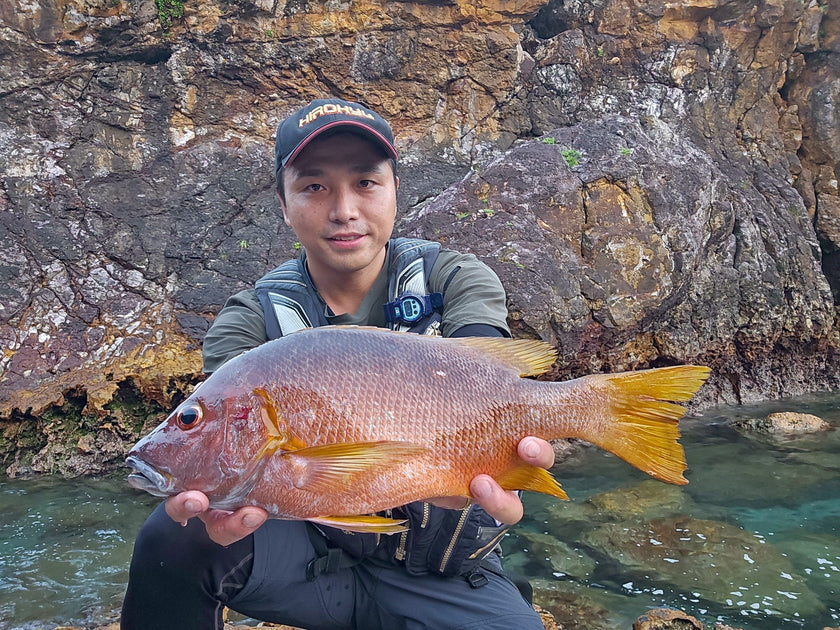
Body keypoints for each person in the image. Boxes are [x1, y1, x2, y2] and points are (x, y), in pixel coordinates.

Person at [121, 98, 555, 629]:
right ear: (284, 204)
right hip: (306, 563)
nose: (343, 208)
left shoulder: (455, 280)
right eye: (314, 186)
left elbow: (490, 385)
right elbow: (236, 451)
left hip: (442, 571)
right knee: (173, 532)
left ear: (396, 190)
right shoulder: (248, 320)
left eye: (366, 182)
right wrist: (217, 513)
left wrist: (513, 458)